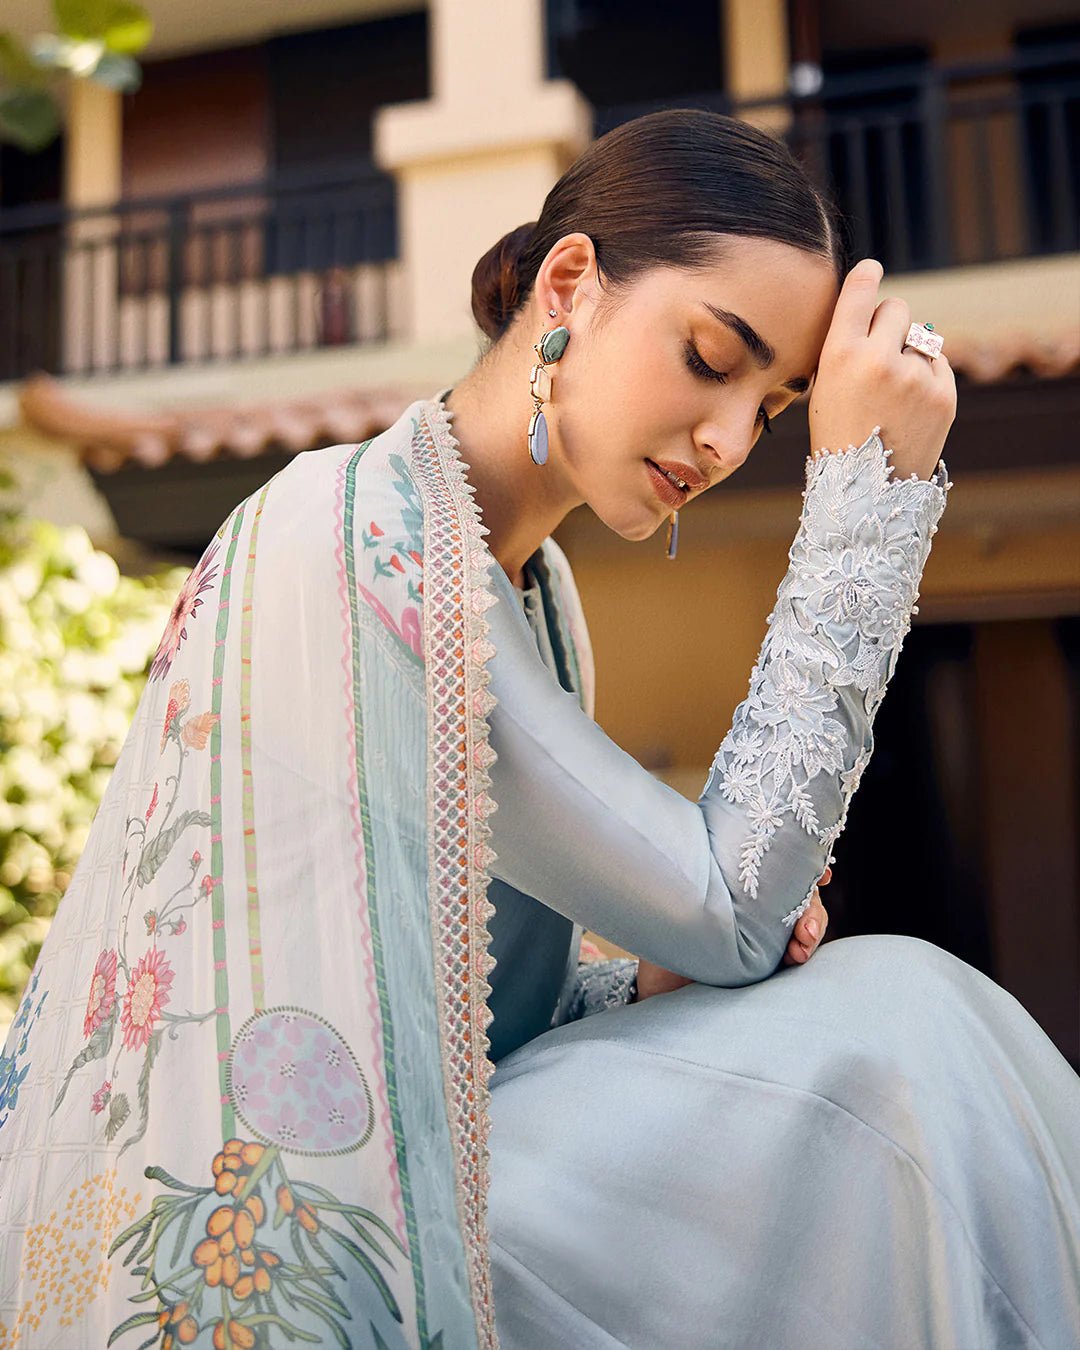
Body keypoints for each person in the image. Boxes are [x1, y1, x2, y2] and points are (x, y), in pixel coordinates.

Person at [0, 109, 1076, 1350]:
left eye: (776, 413)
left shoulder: (531, 590)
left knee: (895, 1025)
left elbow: (492, 1005)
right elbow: (732, 907)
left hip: (442, 1157)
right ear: (572, 280)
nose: (730, 441)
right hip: (319, 1245)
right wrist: (868, 508)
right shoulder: (367, 534)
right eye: (713, 358)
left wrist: (642, 980)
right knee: (898, 1032)